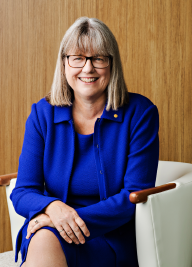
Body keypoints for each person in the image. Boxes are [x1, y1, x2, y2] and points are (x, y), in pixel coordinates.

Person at [10, 17, 159, 267]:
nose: (87, 68)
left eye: (98, 58)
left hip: (110, 236)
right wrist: (55, 209)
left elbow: (133, 195)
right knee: (44, 240)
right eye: (77, 58)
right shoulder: (42, 114)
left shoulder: (140, 113)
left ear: (112, 65)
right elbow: (23, 192)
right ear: (64, 64)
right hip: (50, 229)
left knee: (46, 238)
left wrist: (68, 218)